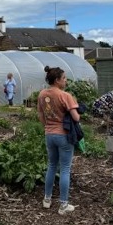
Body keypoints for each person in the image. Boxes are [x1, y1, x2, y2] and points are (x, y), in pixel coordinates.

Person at [37, 65, 79, 215]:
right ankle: (63, 205)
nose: (66, 81)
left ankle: (47, 200)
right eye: (64, 78)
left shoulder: (42, 94)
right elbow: (76, 117)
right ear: (57, 80)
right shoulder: (65, 95)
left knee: (51, 165)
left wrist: (48, 126)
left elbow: (41, 115)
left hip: (49, 134)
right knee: (65, 168)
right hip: (63, 135)